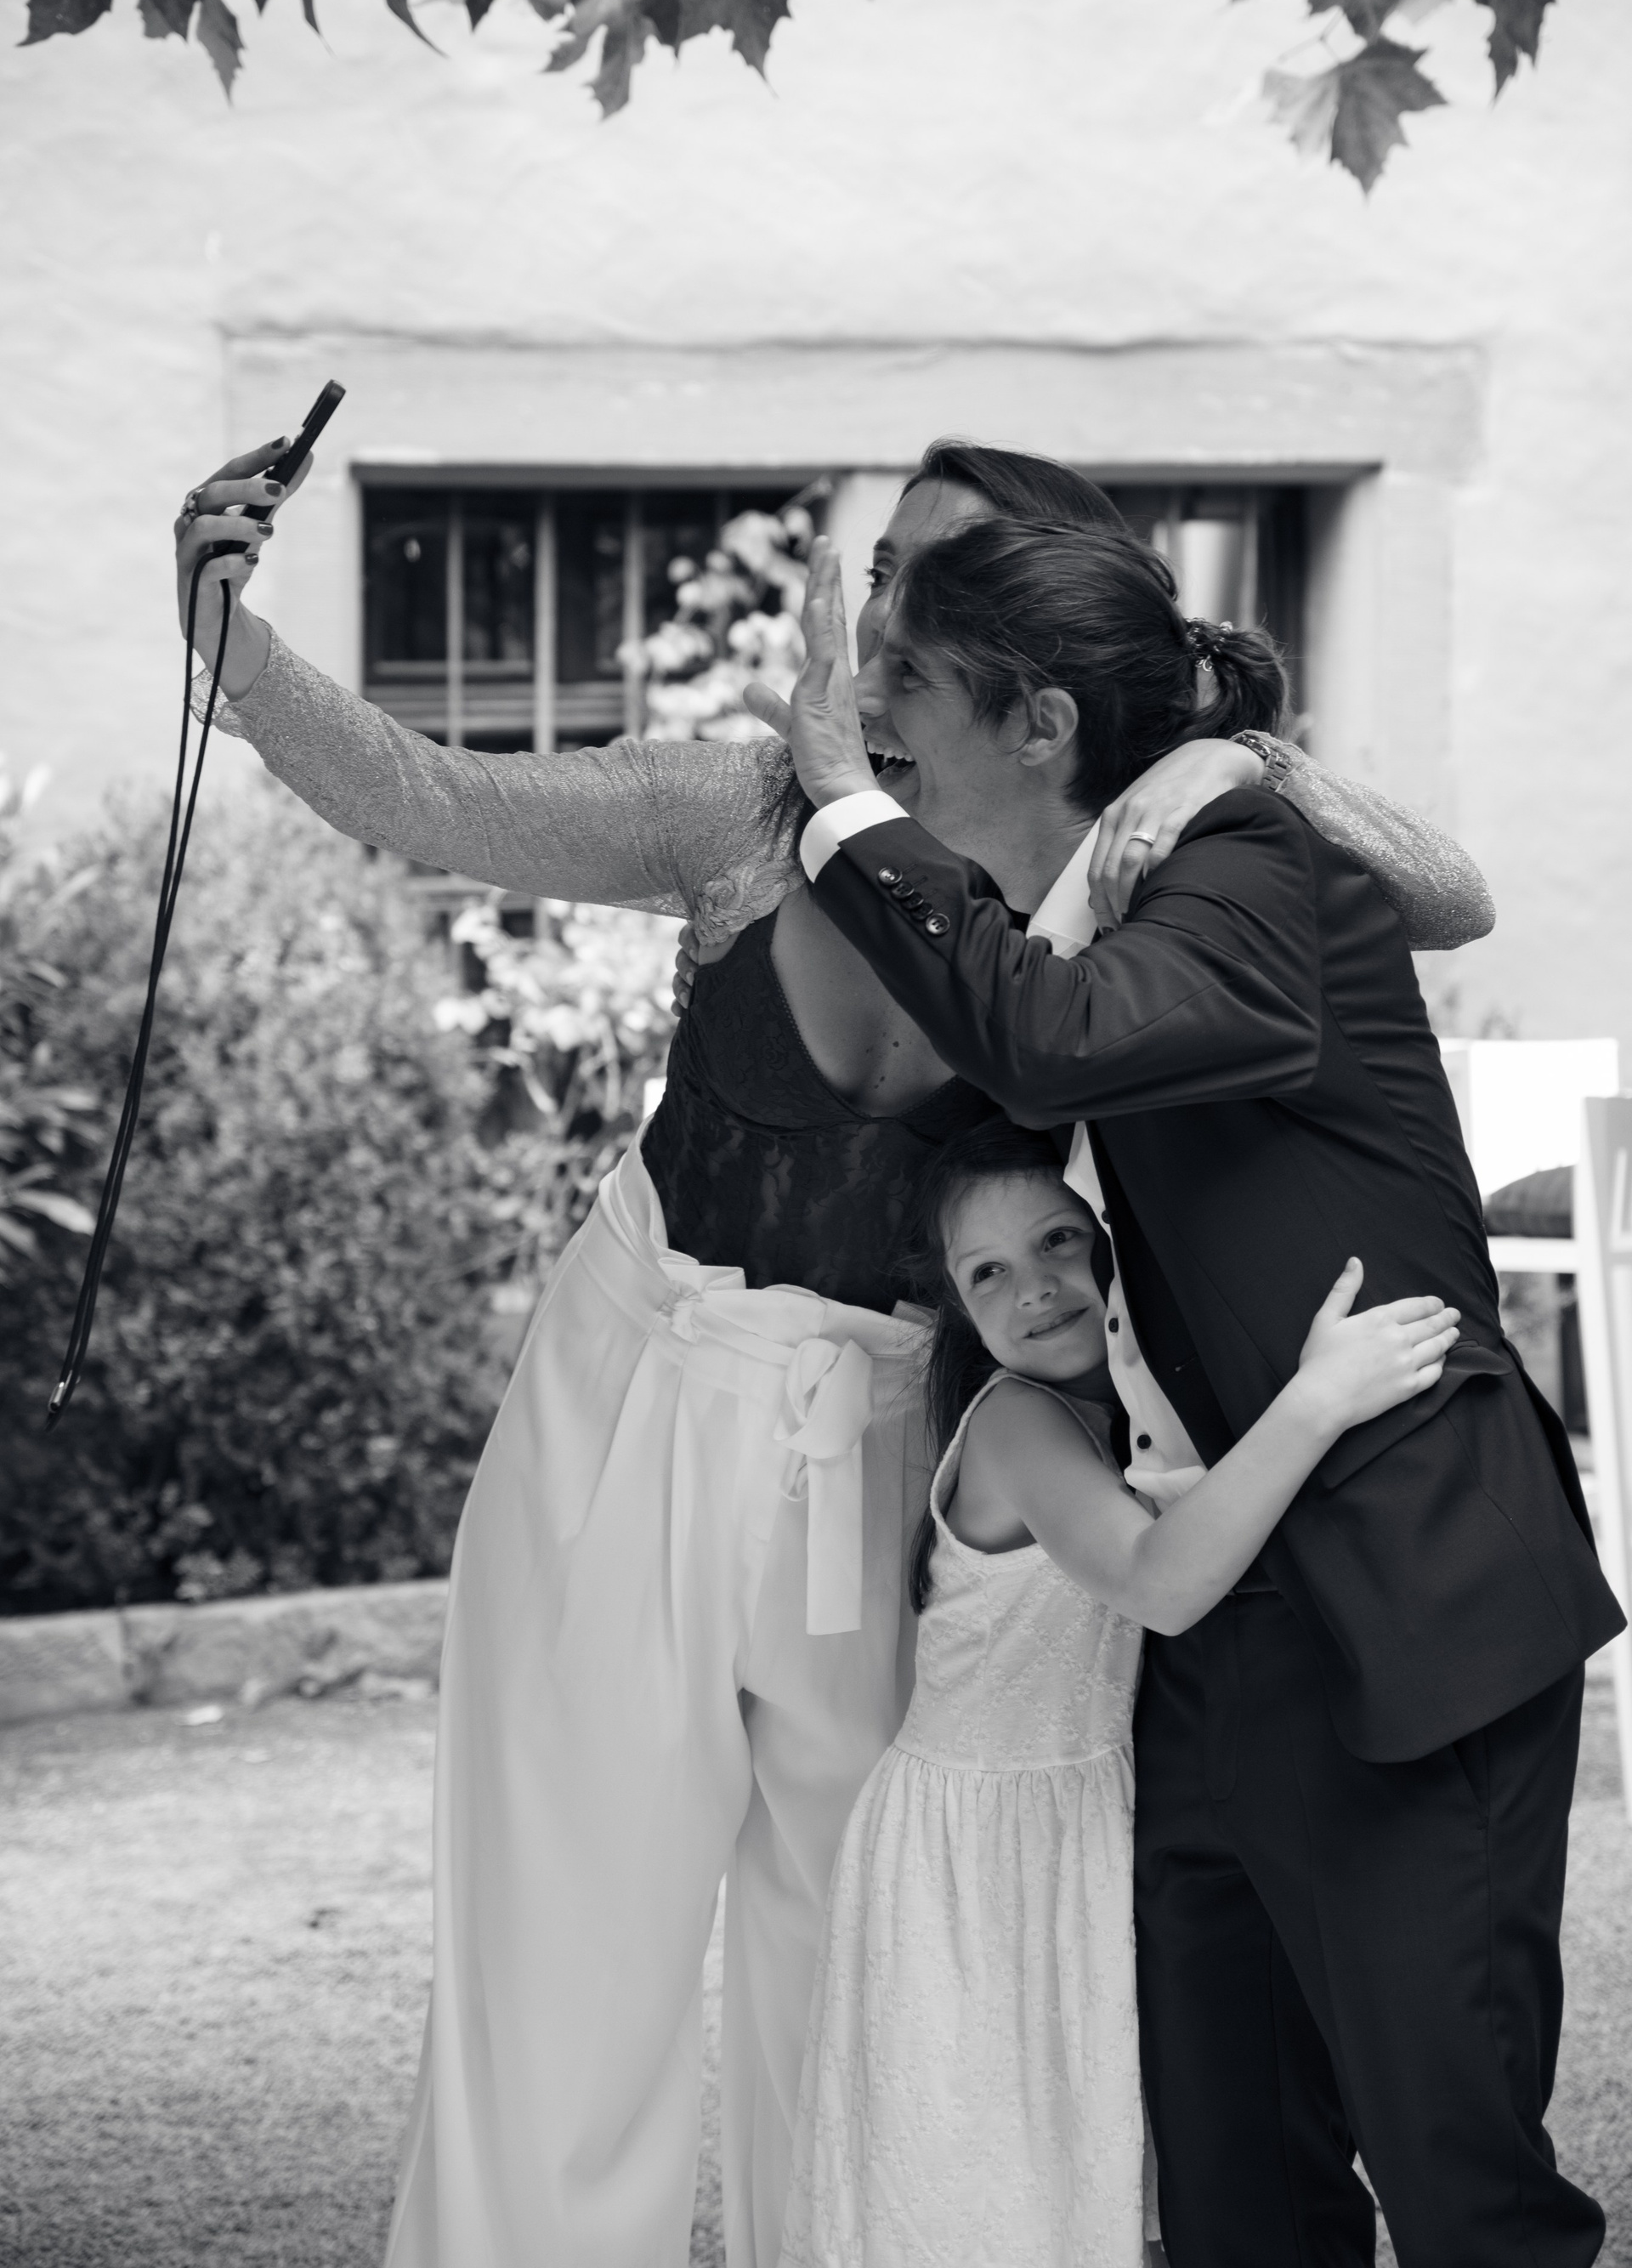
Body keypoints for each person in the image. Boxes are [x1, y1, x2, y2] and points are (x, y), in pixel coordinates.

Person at [171, 439, 1493, 2268]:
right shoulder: (735, 805)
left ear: (1039, 656)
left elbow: (1442, 895)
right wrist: (229, 640)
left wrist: (1217, 745)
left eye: (941, 595)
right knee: (568, 1942)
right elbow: (430, 793)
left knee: (863, 1944)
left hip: (900, 1435)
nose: (882, 631)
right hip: (643, 1388)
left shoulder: (1119, 848)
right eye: (882, 580)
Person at [764, 511, 1625, 2265]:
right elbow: (940, 1095)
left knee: (1459, 2189)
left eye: (904, 680)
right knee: (1236, 2191)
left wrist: (847, 799)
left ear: (1042, 726)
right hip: (1211, 1634)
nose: (865, 711)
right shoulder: (1084, 910)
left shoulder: (1242, 866)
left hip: (1408, 1603)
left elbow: (1056, 1044)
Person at [780, 1120, 1461, 2268]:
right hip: (979, 1847)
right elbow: (1163, 1581)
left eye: (1057, 1241)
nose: (1033, 1290)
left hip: (1080, 1822)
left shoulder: (1126, 1410)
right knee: (984, 2176)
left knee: (1088, 2157)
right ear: (956, 1306)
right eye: (986, 1273)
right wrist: (1319, 1398)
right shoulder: (1014, 1423)